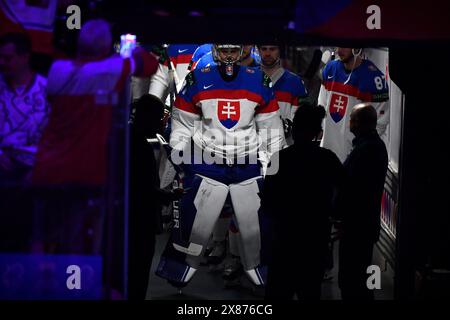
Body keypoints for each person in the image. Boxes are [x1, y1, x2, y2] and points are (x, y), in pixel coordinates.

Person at [155, 44, 285, 289]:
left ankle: (263, 269)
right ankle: (178, 267)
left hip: (247, 163)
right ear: (215, 50)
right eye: (224, 50)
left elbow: (272, 129)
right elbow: (182, 121)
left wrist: (272, 170)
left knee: (255, 226)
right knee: (193, 222)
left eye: (233, 50)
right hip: (208, 162)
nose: (228, 56)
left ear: (242, 51)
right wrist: (183, 158)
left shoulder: (259, 79)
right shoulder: (198, 77)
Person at [31, 19, 159, 255]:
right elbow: (149, 64)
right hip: (85, 171)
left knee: (44, 240)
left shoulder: (58, 69)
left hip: (47, 168)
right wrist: (130, 45)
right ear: (106, 47)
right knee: (81, 246)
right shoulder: (111, 69)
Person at [261, 103, 344, 300]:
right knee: (310, 292)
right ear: (318, 133)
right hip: (314, 240)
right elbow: (345, 189)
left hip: (283, 242)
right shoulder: (328, 159)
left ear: (294, 129)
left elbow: (267, 199)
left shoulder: (279, 158)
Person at [128, 94, 183, 299]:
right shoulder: (138, 146)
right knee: (137, 274)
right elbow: (141, 187)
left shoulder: (134, 141)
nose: (162, 123)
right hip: (138, 222)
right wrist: (167, 196)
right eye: (159, 117)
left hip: (137, 220)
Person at [0, 32, 49, 252]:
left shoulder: (46, 89)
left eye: (7, 58)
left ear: (24, 57)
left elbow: (54, 135)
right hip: (2, 168)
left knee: (34, 233)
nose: (2, 63)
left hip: (35, 172)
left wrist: (39, 166)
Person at [335, 103, 388, 300]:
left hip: (357, 226)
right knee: (359, 277)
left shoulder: (366, 150)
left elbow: (352, 188)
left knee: (353, 279)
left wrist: (338, 214)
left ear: (359, 123)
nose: (349, 122)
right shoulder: (371, 146)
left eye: (352, 119)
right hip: (363, 225)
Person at [318, 48, 389, 162]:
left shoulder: (375, 79)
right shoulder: (330, 68)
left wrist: (359, 153)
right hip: (327, 156)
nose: (339, 49)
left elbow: (379, 124)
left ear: (357, 47)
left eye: (345, 44)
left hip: (356, 160)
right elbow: (322, 106)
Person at [258, 43, 309, 145]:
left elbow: (303, 119)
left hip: (284, 146)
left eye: (272, 49)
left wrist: (287, 125)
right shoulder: (248, 78)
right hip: (254, 147)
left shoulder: (295, 82)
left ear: (280, 50)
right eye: (264, 49)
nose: (268, 53)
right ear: (258, 51)